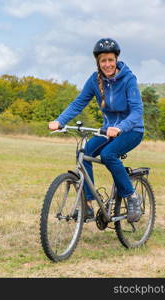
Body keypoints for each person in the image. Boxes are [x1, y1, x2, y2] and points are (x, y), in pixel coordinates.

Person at [48, 38, 144, 222]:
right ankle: (89, 205)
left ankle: (131, 197)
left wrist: (120, 127)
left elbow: (137, 112)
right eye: (103, 61)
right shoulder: (95, 80)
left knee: (108, 155)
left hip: (132, 130)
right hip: (107, 130)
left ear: (116, 60)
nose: (107, 64)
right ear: (98, 63)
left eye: (110, 60)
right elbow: (78, 103)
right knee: (84, 154)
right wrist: (60, 121)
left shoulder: (129, 79)